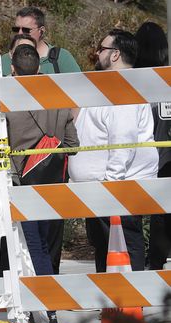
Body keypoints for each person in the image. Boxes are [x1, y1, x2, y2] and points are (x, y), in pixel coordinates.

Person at [0, 45, 79, 323]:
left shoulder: (7, 98)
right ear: (39, 67)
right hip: (56, 180)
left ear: (12, 69)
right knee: (46, 246)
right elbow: (73, 144)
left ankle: (44, 308)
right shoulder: (57, 94)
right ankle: (41, 307)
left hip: (23, 180)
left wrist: (3, 173)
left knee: (31, 246)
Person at [68, 29, 159, 273]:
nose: (97, 53)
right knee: (104, 246)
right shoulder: (106, 87)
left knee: (125, 245)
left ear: (115, 54)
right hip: (101, 188)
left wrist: (112, 184)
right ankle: (111, 304)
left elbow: (123, 141)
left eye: (102, 48)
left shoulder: (123, 89)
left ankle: (129, 305)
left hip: (116, 187)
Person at [0, 7, 81, 275]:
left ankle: (45, 297)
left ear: (41, 31)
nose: (20, 34)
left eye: (26, 30)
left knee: (41, 238)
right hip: (45, 165)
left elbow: (79, 98)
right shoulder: (1, 61)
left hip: (35, 168)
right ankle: (47, 296)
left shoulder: (61, 59)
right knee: (33, 238)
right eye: (16, 30)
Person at [134, 22, 171, 270]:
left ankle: (149, 261)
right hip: (167, 155)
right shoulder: (167, 79)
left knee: (137, 213)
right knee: (162, 213)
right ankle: (156, 259)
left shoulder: (132, 80)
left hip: (140, 156)